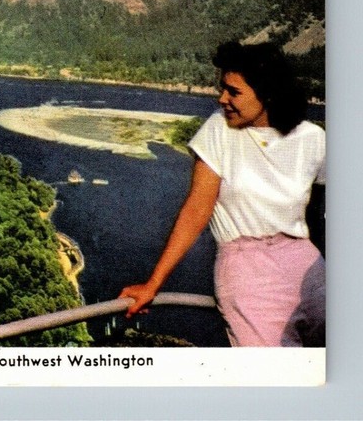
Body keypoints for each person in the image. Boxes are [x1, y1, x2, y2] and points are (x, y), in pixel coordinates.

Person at [119, 41, 326, 347]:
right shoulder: (219, 130)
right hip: (246, 270)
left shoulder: (313, 138)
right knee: (273, 379)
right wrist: (154, 284)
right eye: (223, 89)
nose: (222, 99)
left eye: (234, 92)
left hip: (309, 265)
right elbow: (196, 210)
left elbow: (321, 215)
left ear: (267, 93)